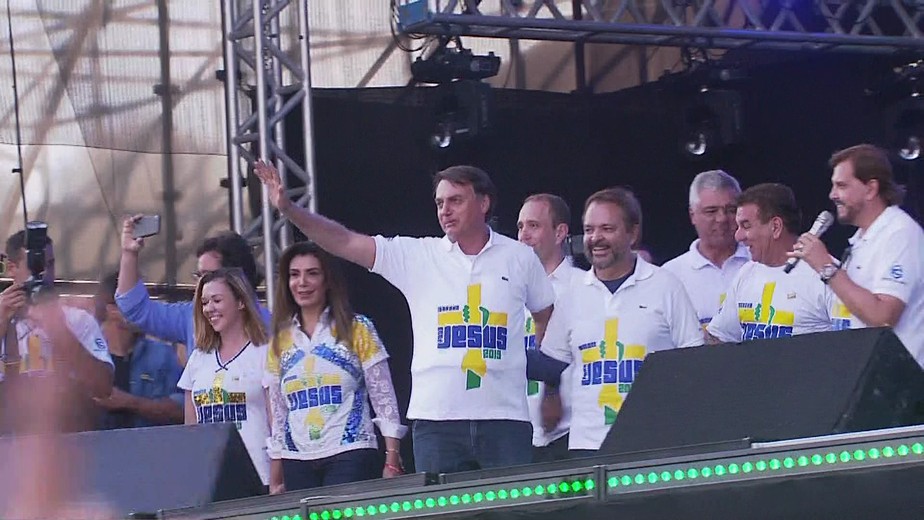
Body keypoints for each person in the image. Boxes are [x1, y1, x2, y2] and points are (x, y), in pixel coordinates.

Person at [254, 161, 555, 474]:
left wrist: (545, 385)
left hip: (505, 419)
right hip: (437, 422)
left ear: (483, 202)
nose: (445, 211)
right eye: (440, 203)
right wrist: (289, 209)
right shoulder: (418, 256)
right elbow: (344, 241)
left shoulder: (520, 257)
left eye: (455, 200)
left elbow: (545, 316)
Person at [539, 188, 702, 454]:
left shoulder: (665, 285)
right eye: (589, 230)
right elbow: (551, 364)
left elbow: (694, 360)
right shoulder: (573, 293)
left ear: (633, 233)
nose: (596, 238)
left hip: (654, 444)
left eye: (607, 229)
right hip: (587, 447)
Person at [265, 242, 407, 491]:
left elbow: (384, 397)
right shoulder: (279, 340)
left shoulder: (357, 327)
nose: (302, 282)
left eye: (312, 273)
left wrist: (392, 458)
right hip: (296, 459)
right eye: (294, 275)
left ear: (328, 280)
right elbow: (278, 413)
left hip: (351, 452)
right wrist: (276, 473)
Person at [789, 144, 924, 365]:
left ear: (871, 189)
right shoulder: (862, 239)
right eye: (833, 186)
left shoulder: (900, 233)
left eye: (841, 186)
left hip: (899, 386)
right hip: (865, 377)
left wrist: (826, 267)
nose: (833, 195)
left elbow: (882, 317)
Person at [0, 230, 114, 434]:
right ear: (11, 268)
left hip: (69, 444)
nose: (44, 274)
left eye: (49, 265)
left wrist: (58, 329)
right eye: (36, 266)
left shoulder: (77, 319)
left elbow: (103, 387)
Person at [178, 268, 279, 489]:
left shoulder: (265, 352)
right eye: (204, 303)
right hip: (208, 480)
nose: (209, 309)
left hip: (257, 477)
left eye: (216, 300)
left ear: (241, 302)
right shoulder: (198, 358)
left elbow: (277, 424)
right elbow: (190, 431)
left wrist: (277, 476)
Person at [116, 217, 271, 357]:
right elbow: (135, 309)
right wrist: (129, 253)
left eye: (209, 276)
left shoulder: (272, 328)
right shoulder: (192, 317)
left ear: (237, 279)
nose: (201, 284)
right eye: (199, 276)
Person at [706, 184, 834, 343]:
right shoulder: (746, 273)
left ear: (775, 227)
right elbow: (719, 337)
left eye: (746, 225)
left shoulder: (827, 273)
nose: (738, 236)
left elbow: (852, 344)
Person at [516, 194, 584, 463]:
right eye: (520, 227)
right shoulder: (505, 287)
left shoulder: (583, 287)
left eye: (533, 226)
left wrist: (552, 391)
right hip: (516, 432)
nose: (523, 235)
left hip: (570, 432)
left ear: (560, 232)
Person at [93, 272, 184, 429]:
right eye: (135, 304)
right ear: (112, 309)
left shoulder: (162, 355)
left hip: (149, 450)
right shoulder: (86, 355)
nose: (143, 310)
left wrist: (130, 402)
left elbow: (184, 409)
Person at [663, 170, 750, 327]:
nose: (722, 218)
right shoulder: (670, 275)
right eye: (711, 211)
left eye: (731, 210)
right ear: (692, 215)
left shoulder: (760, 262)